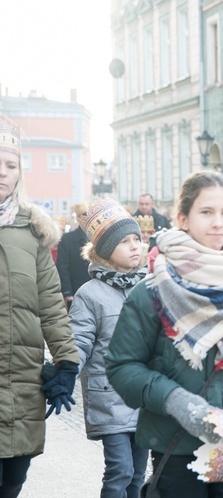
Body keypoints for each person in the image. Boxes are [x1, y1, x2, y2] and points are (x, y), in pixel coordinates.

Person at [106, 171, 223, 497]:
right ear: (183, 218)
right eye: (206, 212)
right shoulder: (153, 290)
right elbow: (122, 367)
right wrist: (177, 402)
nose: (218, 223)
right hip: (176, 448)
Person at [0, 116, 80, 497]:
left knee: (15, 476)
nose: (2, 173)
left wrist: (66, 362)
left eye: (10, 165)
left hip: (21, 380)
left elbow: (50, 304)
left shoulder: (33, 230)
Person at [69, 197, 149, 497]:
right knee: (121, 470)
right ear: (104, 250)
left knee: (138, 474)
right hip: (109, 397)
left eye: (136, 240)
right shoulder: (89, 294)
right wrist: (66, 372)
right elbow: (79, 340)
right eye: (124, 241)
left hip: (145, 397)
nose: (134, 246)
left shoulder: (149, 285)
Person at [56, 202, 92, 306]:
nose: (86, 219)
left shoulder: (99, 237)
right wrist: (67, 292)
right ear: (78, 218)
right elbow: (62, 268)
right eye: (83, 215)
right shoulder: (67, 239)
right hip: (76, 290)